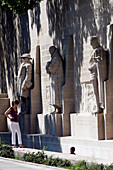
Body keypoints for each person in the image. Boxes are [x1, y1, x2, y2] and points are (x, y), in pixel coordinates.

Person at [89, 36, 108, 114]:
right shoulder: (95, 50)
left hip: (96, 73)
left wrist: (91, 67)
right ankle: (97, 106)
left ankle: (100, 106)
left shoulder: (99, 50)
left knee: (97, 90)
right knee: (95, 91)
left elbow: (98, 62)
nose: (91, 44)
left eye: (92, 42)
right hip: (93, 73)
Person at [46, 46, 65, 113]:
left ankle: (58, 108)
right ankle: (55, 108)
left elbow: (52, 69)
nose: (50, 53)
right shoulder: (54, 58)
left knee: (56, 94)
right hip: (54, 79)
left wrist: (48, 66)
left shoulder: (57, 59)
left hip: (57, 79)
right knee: (54, 94)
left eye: (50, 51)